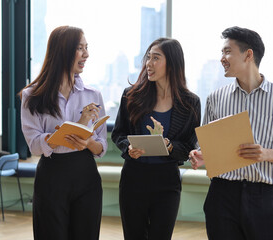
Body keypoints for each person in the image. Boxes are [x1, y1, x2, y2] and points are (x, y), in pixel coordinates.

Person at [189, 26, 273, 240]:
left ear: (248, 54)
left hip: (263, 197)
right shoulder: (215, 98)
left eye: (227, 51)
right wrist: (201, 156)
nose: (222, 58)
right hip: (221, 195)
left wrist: (266, 154)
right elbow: (205, 148)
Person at [19, 26, 107, 240]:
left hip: (86, 175)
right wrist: (77, 124)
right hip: (52, 176)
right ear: (63, 51)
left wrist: (86, 141)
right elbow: (35, 145)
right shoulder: (32, 96)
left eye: (87, 48)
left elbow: (101, 147)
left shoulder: (93, 95)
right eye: (80, 48)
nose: (86, 54)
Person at [111, 38, 201, 240]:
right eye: (148, 58)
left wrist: (167, 144)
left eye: (156, 58)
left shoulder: (190, 102)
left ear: (172, 63)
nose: (148, 64)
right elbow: (119, 133)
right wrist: (129, 148)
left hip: (166, 181)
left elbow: (188, 145)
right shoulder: (131, 95)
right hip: (134, 178)